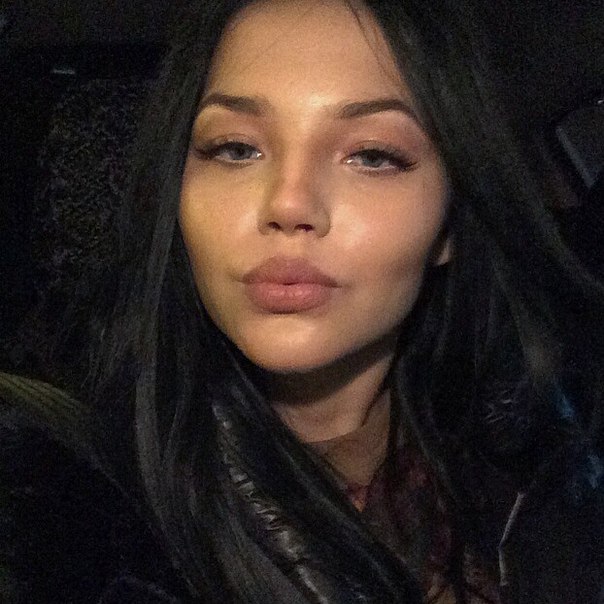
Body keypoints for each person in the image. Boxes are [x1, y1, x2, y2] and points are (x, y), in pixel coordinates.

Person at [1, 0, 604, 602]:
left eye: (372, 156)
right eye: (235, 149)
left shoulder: (548, 467)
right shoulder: (62, 497)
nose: (289, 204)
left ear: (448, 226)